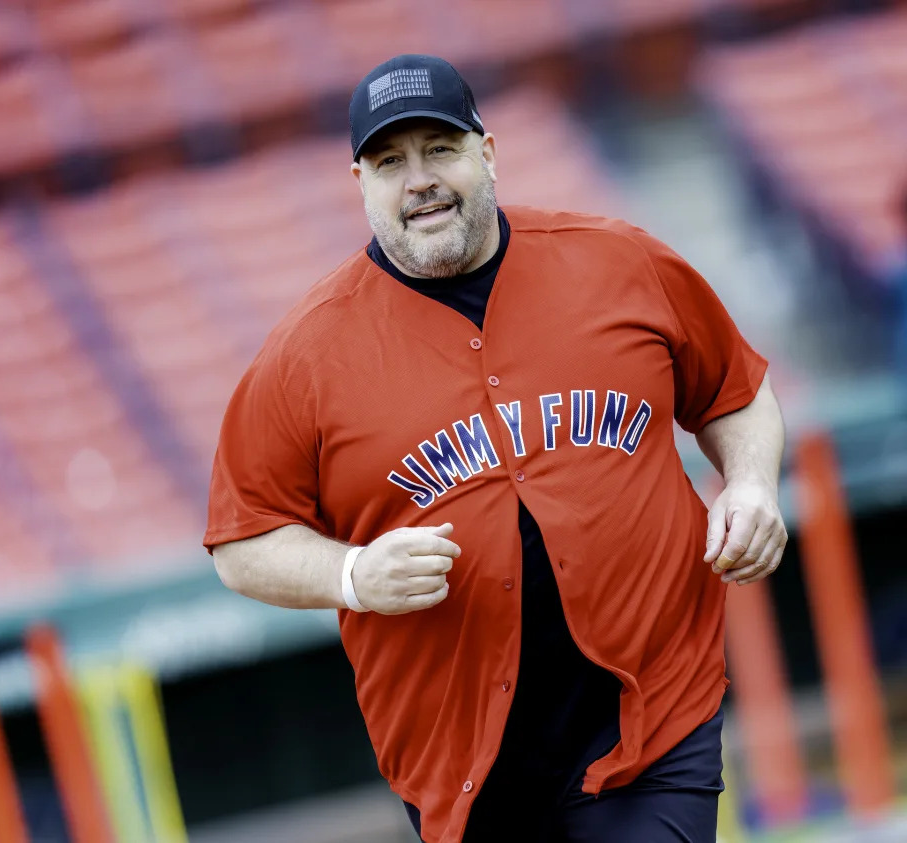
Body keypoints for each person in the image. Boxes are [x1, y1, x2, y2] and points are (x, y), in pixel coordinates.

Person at [205, 54, 788, 843]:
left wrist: (751, 485)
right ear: (359, 182)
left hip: (651, 710)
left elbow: (735, 393)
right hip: (459, 757)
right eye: (390, 162)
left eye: (439, 149)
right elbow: (242, 543)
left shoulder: (620, 262)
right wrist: (350, 573)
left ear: (487, 151)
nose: (419, 180)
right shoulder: (305, 357)